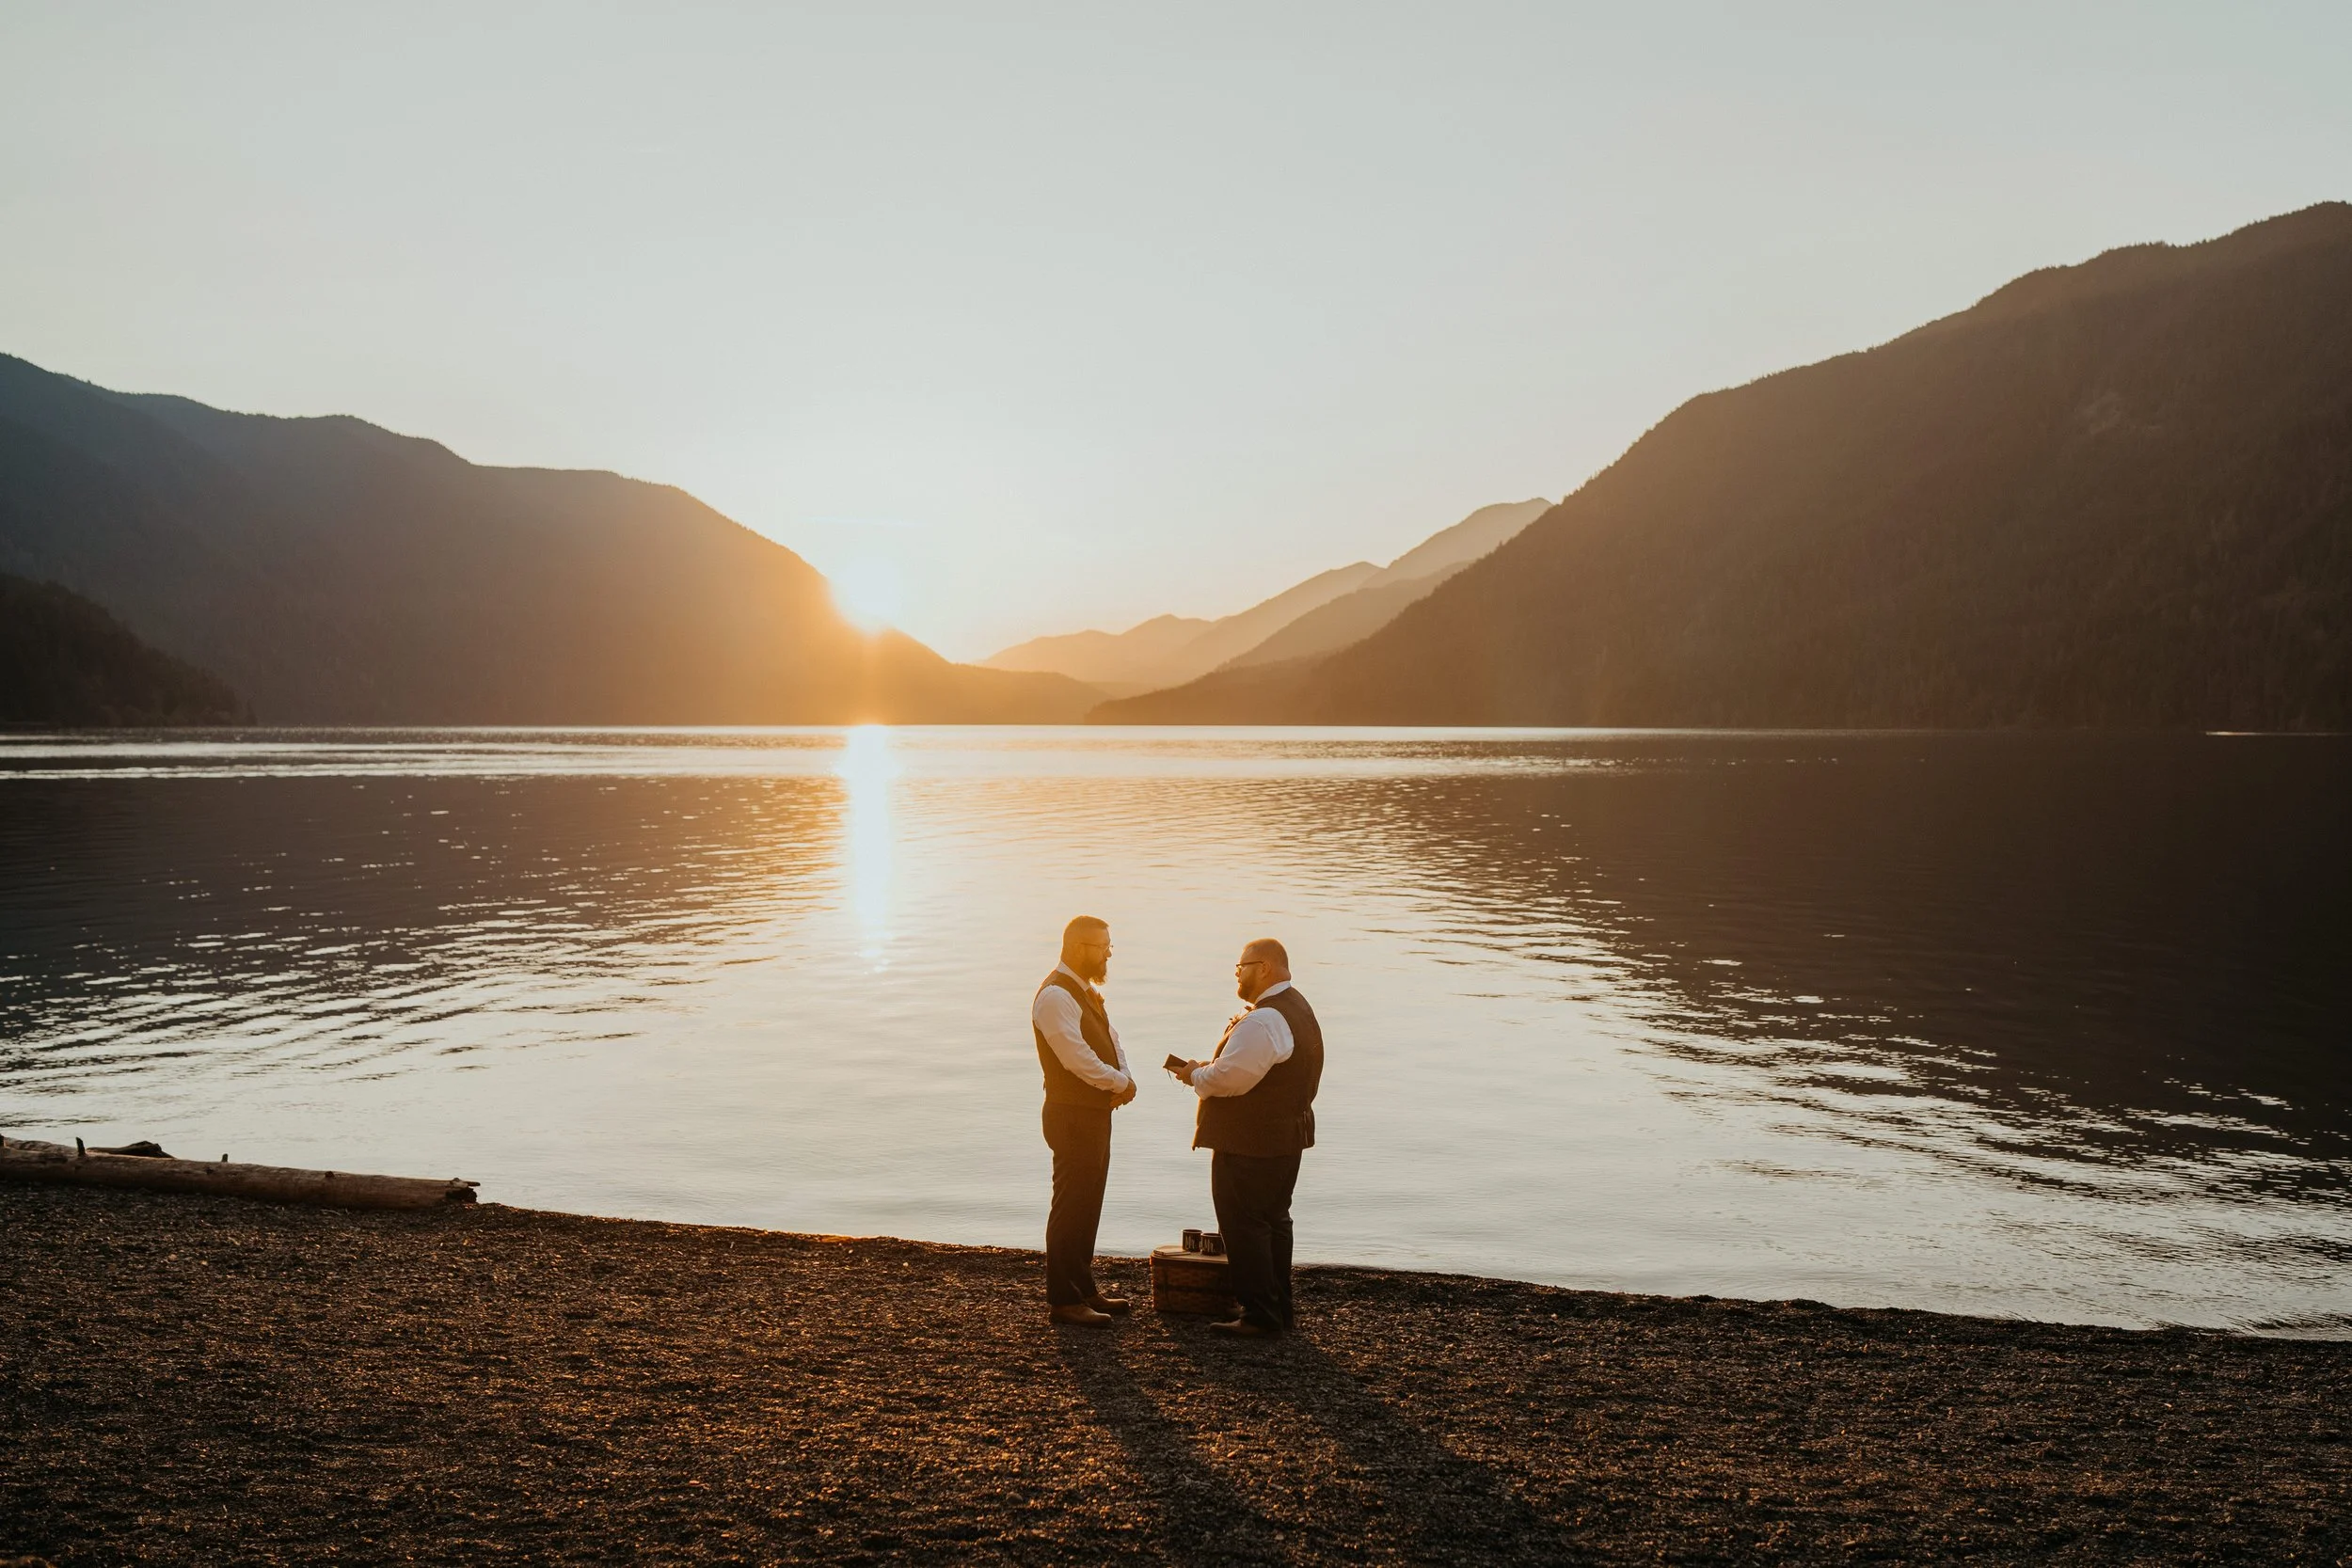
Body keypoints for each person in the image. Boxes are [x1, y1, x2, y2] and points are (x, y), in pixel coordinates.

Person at [1171, 937, 1323, 1338]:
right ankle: (1278, 1310)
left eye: (1242, 967)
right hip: (1285, 1137)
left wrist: (1194, 1075)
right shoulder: (1298, 1009)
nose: (1237, 974)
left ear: (1266, 968)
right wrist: (1212, 1068)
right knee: (1274, 1220)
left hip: (1250, 1142)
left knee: (1244, 1224)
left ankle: (1259, 1314)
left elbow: (1228, 1080)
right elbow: (1260, 1070)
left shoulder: (1264, 1019)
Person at [1033, 914, 1137, 1324]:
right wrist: (1116, 1083)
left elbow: (1111, 1040)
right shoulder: (1055, 996)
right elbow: (1075, 1057)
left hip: (1093, 1112)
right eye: (1103, 947)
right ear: (1079, 948)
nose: (1109, 953)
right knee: (1071, 1203)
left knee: (1089, 1200)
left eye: (1110, 945)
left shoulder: (1085, 992)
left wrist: (1125, 1078)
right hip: (1070, 1114)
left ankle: (1084, 1288)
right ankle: (1063, 1298)